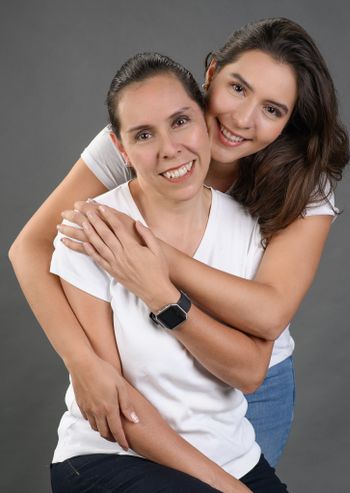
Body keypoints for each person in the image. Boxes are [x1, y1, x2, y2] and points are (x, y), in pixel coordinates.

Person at [8, 17, 350, 468]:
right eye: (238, 88)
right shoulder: (147, 136)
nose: (242, 119)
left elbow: (268, 313)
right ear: (211, 74)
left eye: (272, 109)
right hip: (142, 371)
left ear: (289, 121)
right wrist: (84, 364)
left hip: (248, 380)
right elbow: (30, 248)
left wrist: (148, 258)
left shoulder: (305, 181)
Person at [50, 52, 288, 492]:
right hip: (113, 455)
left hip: (230, 456)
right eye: (144, 134)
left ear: (205, 122)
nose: (169, 149)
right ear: (120, 149)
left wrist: (161, 293)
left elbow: (251, 372)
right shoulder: (93, 229)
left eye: (180, 122)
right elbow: (118, 408)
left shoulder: (250, 227)